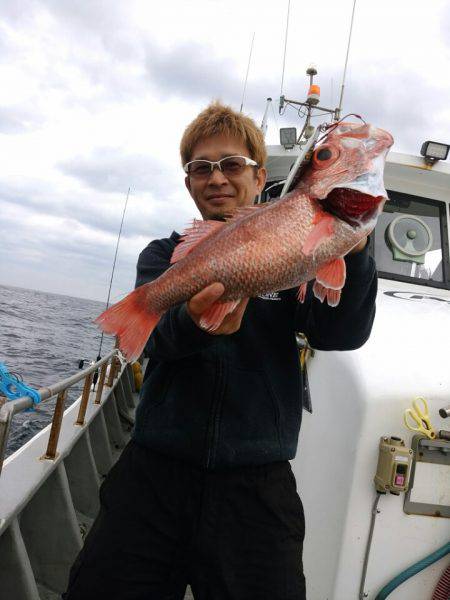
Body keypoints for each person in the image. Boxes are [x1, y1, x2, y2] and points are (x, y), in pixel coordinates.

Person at [63, 102, 376, 600]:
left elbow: (338, 333)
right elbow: (156, 343)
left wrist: (353, 253)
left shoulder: (301, 242)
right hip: (154, 474)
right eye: (201, 168)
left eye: (231, 165)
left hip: (256, 486)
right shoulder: (163, 257)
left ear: (258, 177)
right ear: (188, 183)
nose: (217, 179)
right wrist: (193, 323)